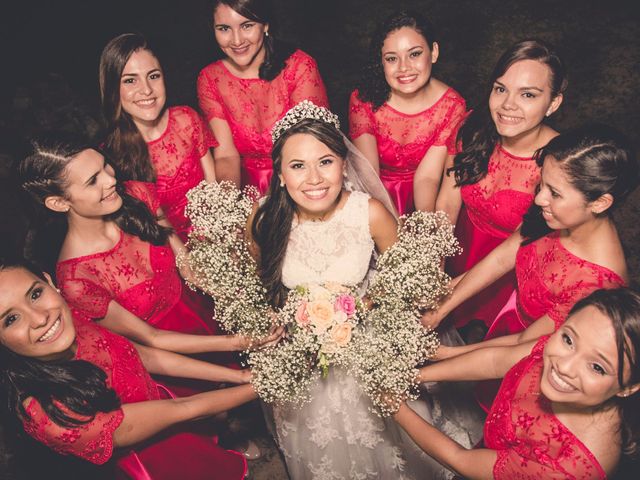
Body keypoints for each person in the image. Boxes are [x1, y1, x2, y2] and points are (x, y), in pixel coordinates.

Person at [247, 101, 482, 479]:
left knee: (388, 443)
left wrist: (362, 307)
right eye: (297, 166)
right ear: (278, 174)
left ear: (343, 163)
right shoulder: (264, 219)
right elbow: (259, 286)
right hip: (302, 360)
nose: (314, 179)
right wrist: (286, 327)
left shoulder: (368, 212)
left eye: (325, 161)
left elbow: (400, 280)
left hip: (368, 349)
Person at [17, 135, 279, 376]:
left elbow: (188, 266)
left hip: (206, 315)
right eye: (92, 180)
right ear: (59, 203)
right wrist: (238, 341)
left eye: (105, 166)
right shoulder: (76, 279)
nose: (110, 180)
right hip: (175, 361)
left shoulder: (136, 195)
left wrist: (248, 306)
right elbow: (152, 339)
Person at [0, 256, 257, 479]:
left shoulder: (69, 322)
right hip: (159, 463)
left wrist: (239, 376)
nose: (40, 318)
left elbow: (144, 355)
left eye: (35, 294)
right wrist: (261, 385)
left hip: (173, 414)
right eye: (11, 319)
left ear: (49, 282)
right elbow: (182, 409)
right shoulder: (51, 414)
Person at [395, 287, 640, 479]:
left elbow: (460, 460)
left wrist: (395, 406)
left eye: (597, 367)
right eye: (568, 339)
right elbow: (495, 361)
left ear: (628, 387)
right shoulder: (565, 347)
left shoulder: (566, 468)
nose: (564, 366)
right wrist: (416, 376)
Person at [436, 39, 567, 331]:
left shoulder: (561, 162)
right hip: (462, 248)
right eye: (500, 89)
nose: (508, 105)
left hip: (512, 276)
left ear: (553, 103)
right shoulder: (472, 128)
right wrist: (434, 268)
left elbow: (512, 250)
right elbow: (447, 203)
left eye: (528, 95)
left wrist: (444, 300)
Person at [197, 0, 329, 194]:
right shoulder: (210, 78)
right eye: (224, 28)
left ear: (265, 24)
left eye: (247, 26)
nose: (236, 40)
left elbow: (309, 148)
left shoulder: (300, 67)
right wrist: (228, 207)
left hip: (303, 182)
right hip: (245, 187)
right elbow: (226, 155)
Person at [100, 33, 217, 243]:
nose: (146, 90)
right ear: (113, 90)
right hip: (165, 248)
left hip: (212, 233)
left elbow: (213, 185)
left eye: (153, 76)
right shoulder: (110, 155)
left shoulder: (186, 119)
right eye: (130, 80)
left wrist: (218, 232)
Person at [349, 10, 467, 215]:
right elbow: (369, 175)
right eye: (392, 58)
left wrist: (421, 224)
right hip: (372, 197)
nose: (404, 67)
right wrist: (386, 224)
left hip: (425, 198)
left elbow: (427, 178)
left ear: (434, 52)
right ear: (381, 62)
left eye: (414, 54)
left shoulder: (452, 106)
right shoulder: (363, 99)